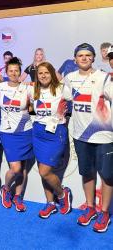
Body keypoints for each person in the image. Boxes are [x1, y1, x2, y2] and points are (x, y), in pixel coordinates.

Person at [63, 43, 113, 233]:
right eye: (80, 55)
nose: (84, 58)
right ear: (75, 59)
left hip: (103, 134)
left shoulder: (103, 77)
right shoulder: (69, 78)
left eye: (88, 55)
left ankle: (105, 212)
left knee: (108, 175)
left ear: (93, 58)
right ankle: (91, 208)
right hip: (80, 135)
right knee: (87, 172)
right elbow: (66, 98)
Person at [30, 62, 72, 218]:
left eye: (46, 72)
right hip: (39, 133)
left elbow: (81, 100)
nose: (43, 75)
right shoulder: (34, 89)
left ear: (52, 73)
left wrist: (66, 114)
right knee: (43, 172)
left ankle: (62, 194)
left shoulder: (62, 89)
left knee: (44, 171)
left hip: (56, 133)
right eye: (40, 73)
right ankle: (50, 203)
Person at [0, 57, 33, 212]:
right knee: (15, 168)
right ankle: (5, 189)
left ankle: (18, 197)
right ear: (6, 72)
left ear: (20, 72)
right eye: (10, 70)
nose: (13, 73)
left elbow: (33, 106)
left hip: (25, 131)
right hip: (8, 132)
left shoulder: (27, 88)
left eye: (16, 70)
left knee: (23, 168)